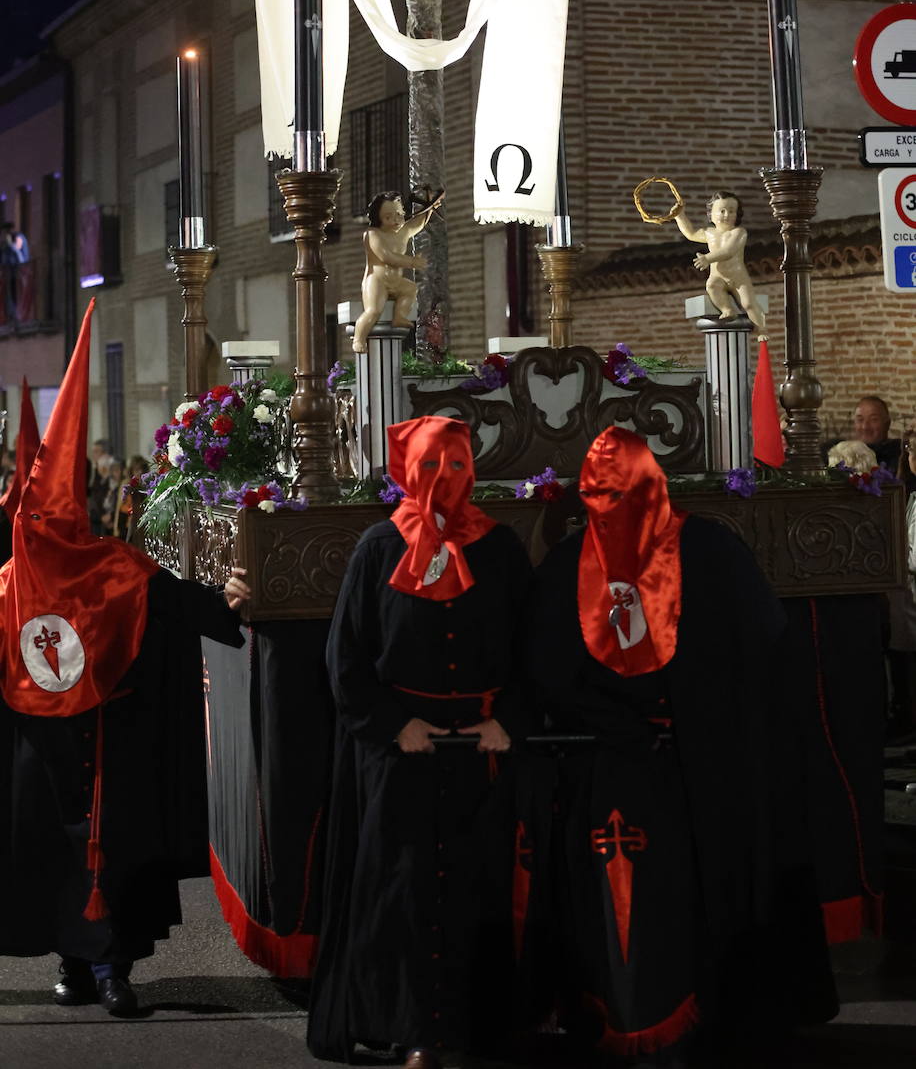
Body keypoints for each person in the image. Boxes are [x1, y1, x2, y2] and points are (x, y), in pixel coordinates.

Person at [523, 427, 836, 1064]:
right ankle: (610, 1014)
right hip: (604, 769)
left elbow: (764, 655)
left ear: (651, 486)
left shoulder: (710, 549)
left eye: (622, 494)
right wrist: (607, 719)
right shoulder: (568, 564)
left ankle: (712, 1019)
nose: (608, 509)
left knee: (700, 903)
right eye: (596, 496)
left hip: (704, 770)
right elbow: (541, 666)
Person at [0, 302, 251, 1017]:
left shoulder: (115, 568)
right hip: (40, 750)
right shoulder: (8, 585)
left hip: (111, 739)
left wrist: (227, 603)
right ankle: (73, 967)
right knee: (50, 854)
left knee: (114, 852)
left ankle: (113, 969)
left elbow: (168, 599)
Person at [307, 415, 532, 1069]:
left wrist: (506, 721)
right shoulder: (379, 548)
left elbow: (533, 652)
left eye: (457, 466)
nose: (444, 480)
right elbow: (344, 658)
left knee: (474, 892)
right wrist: (392, 726)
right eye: (431, 466)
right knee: (402, 893)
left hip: (481, 756)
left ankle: (473, 1029)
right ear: (409, 470)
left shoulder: (502, 550)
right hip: (399, 755)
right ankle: (412, 1032)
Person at [351, 190, 443, 354]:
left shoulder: (403, 232)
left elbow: (419, 222)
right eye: (388, 217)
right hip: (377, 280)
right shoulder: (373, 234)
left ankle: (399, 315)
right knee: (373, 311)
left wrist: (430, 207)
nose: (395, 220)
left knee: (410, 289)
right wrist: (411, 262)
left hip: (395, 281)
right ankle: (359, 337)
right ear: (378, 217)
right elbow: (386, 256)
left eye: (399, 214)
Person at [674, 191, 766, 332]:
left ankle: (761, 331)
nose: (726, 215)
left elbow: (728, 251)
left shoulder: (739, 233)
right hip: (718, 276)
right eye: (721, 211)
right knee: (711, 286)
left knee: (748, 304)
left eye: (731, 211)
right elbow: (690, 234)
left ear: (737, 215)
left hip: (738, 277)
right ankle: (727, 309)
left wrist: (707, 258)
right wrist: (679, 216)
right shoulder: (709, 233)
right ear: (711, 214)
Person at [852, 394, 900, 471]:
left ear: (887, 424)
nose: (865, 427)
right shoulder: (847, 457)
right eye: (860, 420)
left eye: (874, 419)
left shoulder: (900, 456)